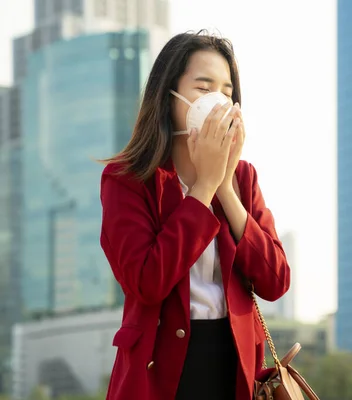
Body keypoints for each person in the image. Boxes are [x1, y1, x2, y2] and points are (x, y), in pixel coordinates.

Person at [100, 31, 291, 400]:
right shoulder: (127, 180)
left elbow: (275, 280)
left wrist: (224, 187)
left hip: (234, 366)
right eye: (204, 88)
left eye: (226, 92)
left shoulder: (243, 177)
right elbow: (147, 282)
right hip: (159, 371)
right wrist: (203, 187)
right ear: (168, 95)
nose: (218, 102)